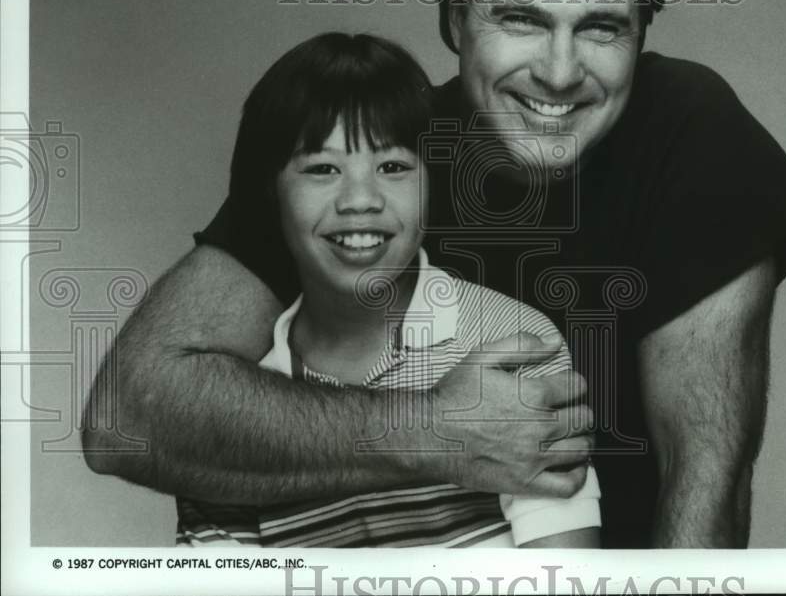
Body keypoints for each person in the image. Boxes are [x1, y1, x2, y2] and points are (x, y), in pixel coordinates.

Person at [84, 0, 786, 548]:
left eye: (602, 27)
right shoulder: (372, 159)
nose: (561, 71)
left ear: (641, 31)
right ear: (453, 19)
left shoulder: (689, 128)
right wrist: (438, 433)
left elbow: (704, 476)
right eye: (520, 19)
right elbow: (129, 415)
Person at [174, 31, 600, 547]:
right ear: (268, 193)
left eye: (393, 167)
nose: (360, 200)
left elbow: (567, 573)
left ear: (433, 181)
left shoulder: (509, 343)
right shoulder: (232, 396)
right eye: (322, 168)